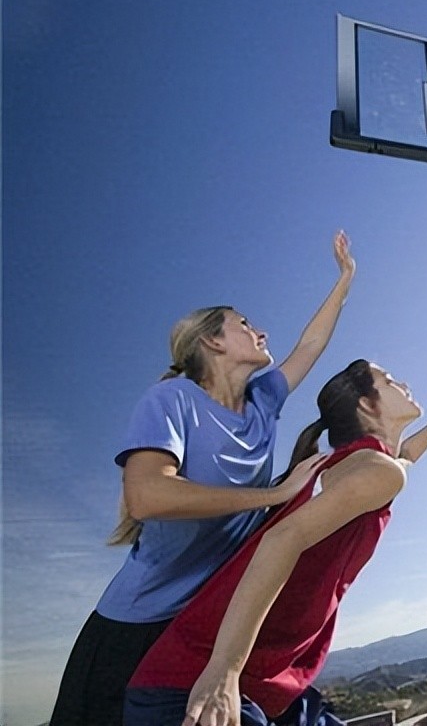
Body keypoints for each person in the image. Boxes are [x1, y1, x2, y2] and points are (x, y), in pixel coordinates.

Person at [50, 232, 357, 726]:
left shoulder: (263, 403)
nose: (260, 331)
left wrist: (344, 279)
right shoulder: (171, 400)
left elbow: (311, 344)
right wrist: (274, 494)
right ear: (212, 341)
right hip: (133, 630)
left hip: (202, 622)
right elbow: (147, 496)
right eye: (244, 324)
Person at [123, 360, 427, 726]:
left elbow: (405, 458)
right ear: (366, 403)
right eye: (389, 380)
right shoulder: (375, 470)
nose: (403, 382)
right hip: (197, 688)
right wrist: (224, 670)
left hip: (240, 681)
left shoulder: (346, 464)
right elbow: (282, 538)